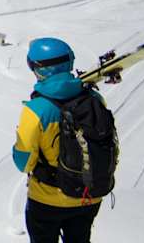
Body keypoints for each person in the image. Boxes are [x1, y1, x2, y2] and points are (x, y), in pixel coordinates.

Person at [13, 37, 106, 243]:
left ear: (39, 69)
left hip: (48, 198)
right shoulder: (95, 100)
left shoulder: (36, 110)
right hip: (89, 196)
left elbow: (23, 161)